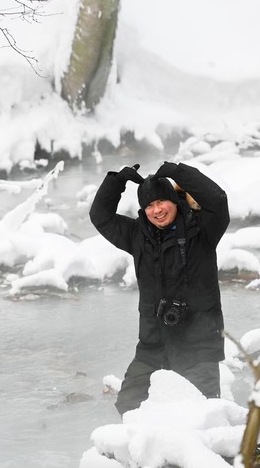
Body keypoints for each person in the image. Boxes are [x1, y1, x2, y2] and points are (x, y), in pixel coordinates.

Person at [89, 161, 230, 415]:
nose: (157, 210)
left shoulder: (202, 230)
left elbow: (218, 200)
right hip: (153, 345)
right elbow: (100, 216)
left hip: (198, 346)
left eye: (161, 201)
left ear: (174, 201)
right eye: (149, 205)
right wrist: (116, 182)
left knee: (203, 413)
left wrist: (178, 172)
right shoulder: (137, 235)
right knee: (129, 405)